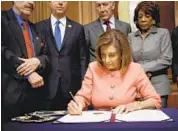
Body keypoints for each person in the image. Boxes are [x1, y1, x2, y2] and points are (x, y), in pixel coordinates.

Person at [67, 29, 161, 115]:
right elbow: (83, 96)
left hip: (126, 122)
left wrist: (135, 106)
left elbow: (155, 100)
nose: (106, 60)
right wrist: (77, 104)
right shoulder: (93, 68)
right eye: (103, 55)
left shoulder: (135, 69)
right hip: (99, 123)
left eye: (112, 55)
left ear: (122, 54)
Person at [1, 2, 49, 121]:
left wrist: (37, 61)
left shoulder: (36, 28)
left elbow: (46, 55)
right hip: (8, 97)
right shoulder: (2, 20)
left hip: (35, 98)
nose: (31, 2)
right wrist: (28, 72)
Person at [36, 1, 88, 110]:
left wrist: (83, 84)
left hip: (71, 87)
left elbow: (83, 58)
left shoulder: (78, 28)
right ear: (49, 3)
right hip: (46, 87)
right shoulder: (38, 27)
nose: (60, 3)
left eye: (64, 0)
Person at [128, 1, 172, 108]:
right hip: (137, 85)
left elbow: (167, 59)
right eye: (140, 16)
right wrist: (139, 73)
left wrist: (142, 68)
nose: (143, 19)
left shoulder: (163, 33)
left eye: (147, 16)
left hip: (159, 86)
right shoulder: (131, 36)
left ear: (153, 18)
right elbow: (129, 61)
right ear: (136, 19)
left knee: (160, 120)